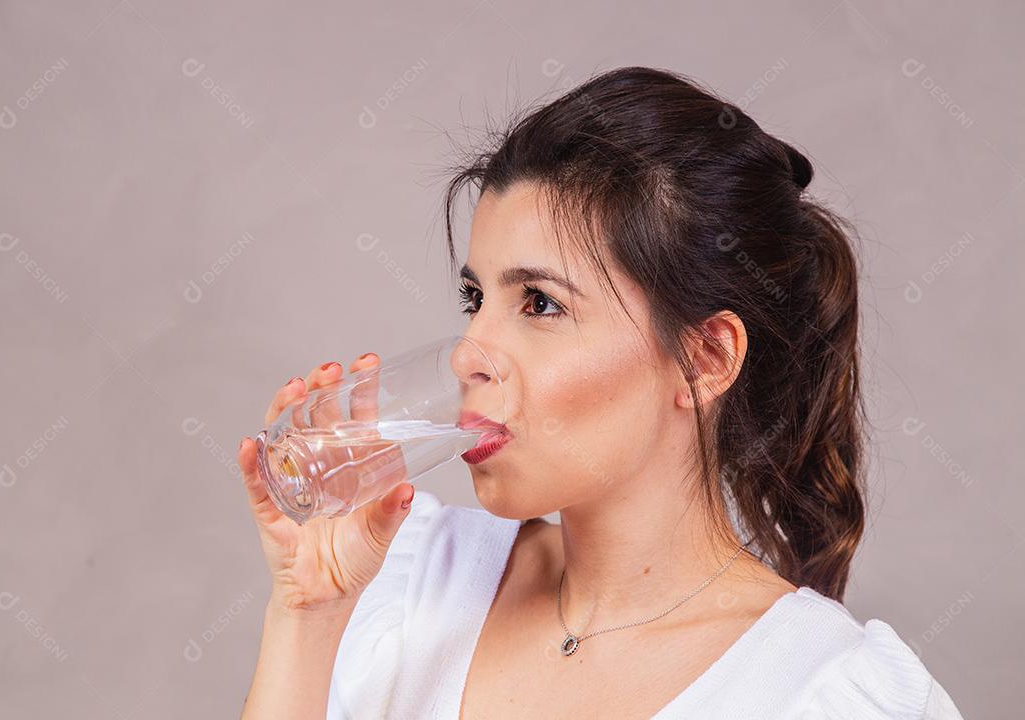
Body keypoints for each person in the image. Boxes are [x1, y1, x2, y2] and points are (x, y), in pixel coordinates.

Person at [237, 66, 965, 719]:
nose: (467, 355)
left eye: (540, 304)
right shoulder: (410, 581)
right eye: (474, 298)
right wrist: (308, 615)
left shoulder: (828, 695)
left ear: (706, 357)